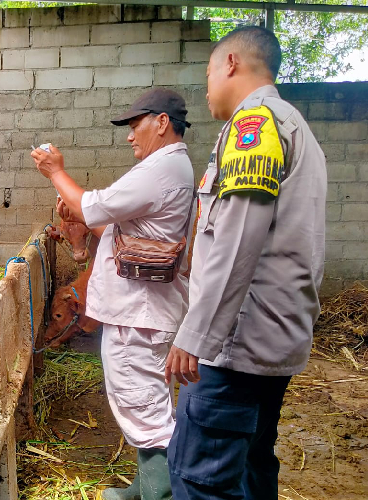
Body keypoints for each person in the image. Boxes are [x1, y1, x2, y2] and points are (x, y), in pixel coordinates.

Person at [165, 26, 327, 500]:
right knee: (251, 468)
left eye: (209, 72)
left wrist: (195, 335)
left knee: (200, 478)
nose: (208, 85)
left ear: (231, 63)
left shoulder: (254, 126)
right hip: (272, 345)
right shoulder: (295, 126)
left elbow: (237, 240)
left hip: (235, 349)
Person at [31, 88, 195, 500]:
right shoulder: (169, 168)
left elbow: (93, 206)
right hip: (140, 312)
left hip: (136, 314)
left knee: (146, 412)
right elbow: (129, 235)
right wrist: (83, 228)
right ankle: (142, 490)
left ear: (161, 122)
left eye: (135, 125)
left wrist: (55, 172)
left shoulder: (161, 170)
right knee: (145, 406)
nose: (129, 136)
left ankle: (158, 494)